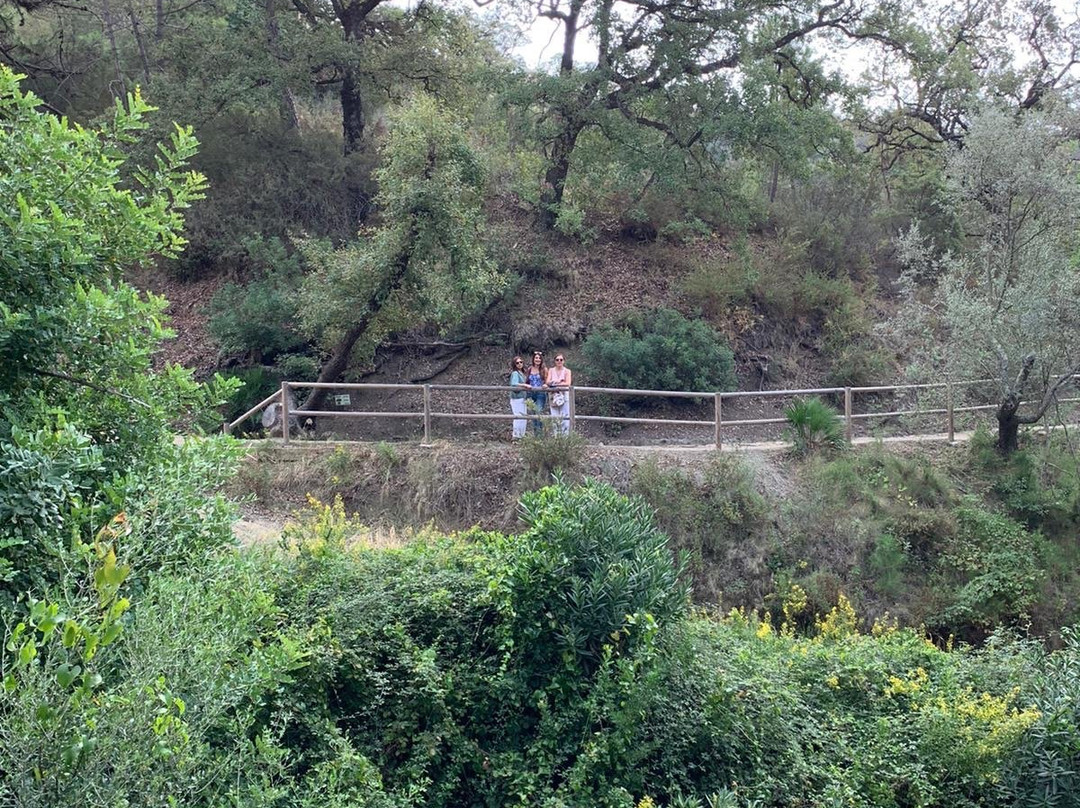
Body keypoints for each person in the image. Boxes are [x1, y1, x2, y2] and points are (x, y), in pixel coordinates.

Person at [546, 353, 573, 434]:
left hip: (564, 395)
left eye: (561, 360)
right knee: (555, 416)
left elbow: (568, 383)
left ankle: (565, 437)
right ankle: (556, 436)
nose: (559, 361)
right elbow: (547, 381)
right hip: (553, 395)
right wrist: (560, 382)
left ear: (564, 361)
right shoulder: (551, 370)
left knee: (565, 416)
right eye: (557, 360)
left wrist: (554, 383)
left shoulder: (567, 371)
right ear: (555, 361)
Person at [526, 350, 547, 436]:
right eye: (536, 358)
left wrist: (545, 385)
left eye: (539, 358)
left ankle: (540, 435)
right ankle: (536, 435)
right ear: (533, 359)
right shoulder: (529, 369)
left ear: (541, 360)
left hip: (540, 393)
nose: (537, 359)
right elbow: (527, 381)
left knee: (538, 412)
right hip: (530, 394)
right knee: (533, 414)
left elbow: (547, 381)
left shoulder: (544, 369)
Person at [508, 355, 529, 440]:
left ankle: (521, 435)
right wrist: (524, 385)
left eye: (521, 362)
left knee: (523, 417)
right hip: (516, 398)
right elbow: (514, 384)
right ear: (514, 364)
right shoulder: (515, 373)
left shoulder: (522, 373)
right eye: (517, 363)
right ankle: (516, 436)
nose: (519, 364)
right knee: (518, 417)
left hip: (522, 397)